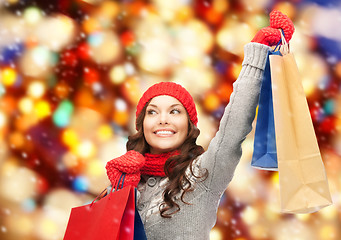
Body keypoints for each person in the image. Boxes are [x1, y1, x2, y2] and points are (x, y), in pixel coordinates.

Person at [106, 10, 295, 240]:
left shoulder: (202, 174)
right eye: (152, 112)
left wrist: (257, 53)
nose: (163, 119)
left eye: (175, 111)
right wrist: (119, 194)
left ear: (189, 126)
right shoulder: (128, 180)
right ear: (142, 126)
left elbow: (233, 128)